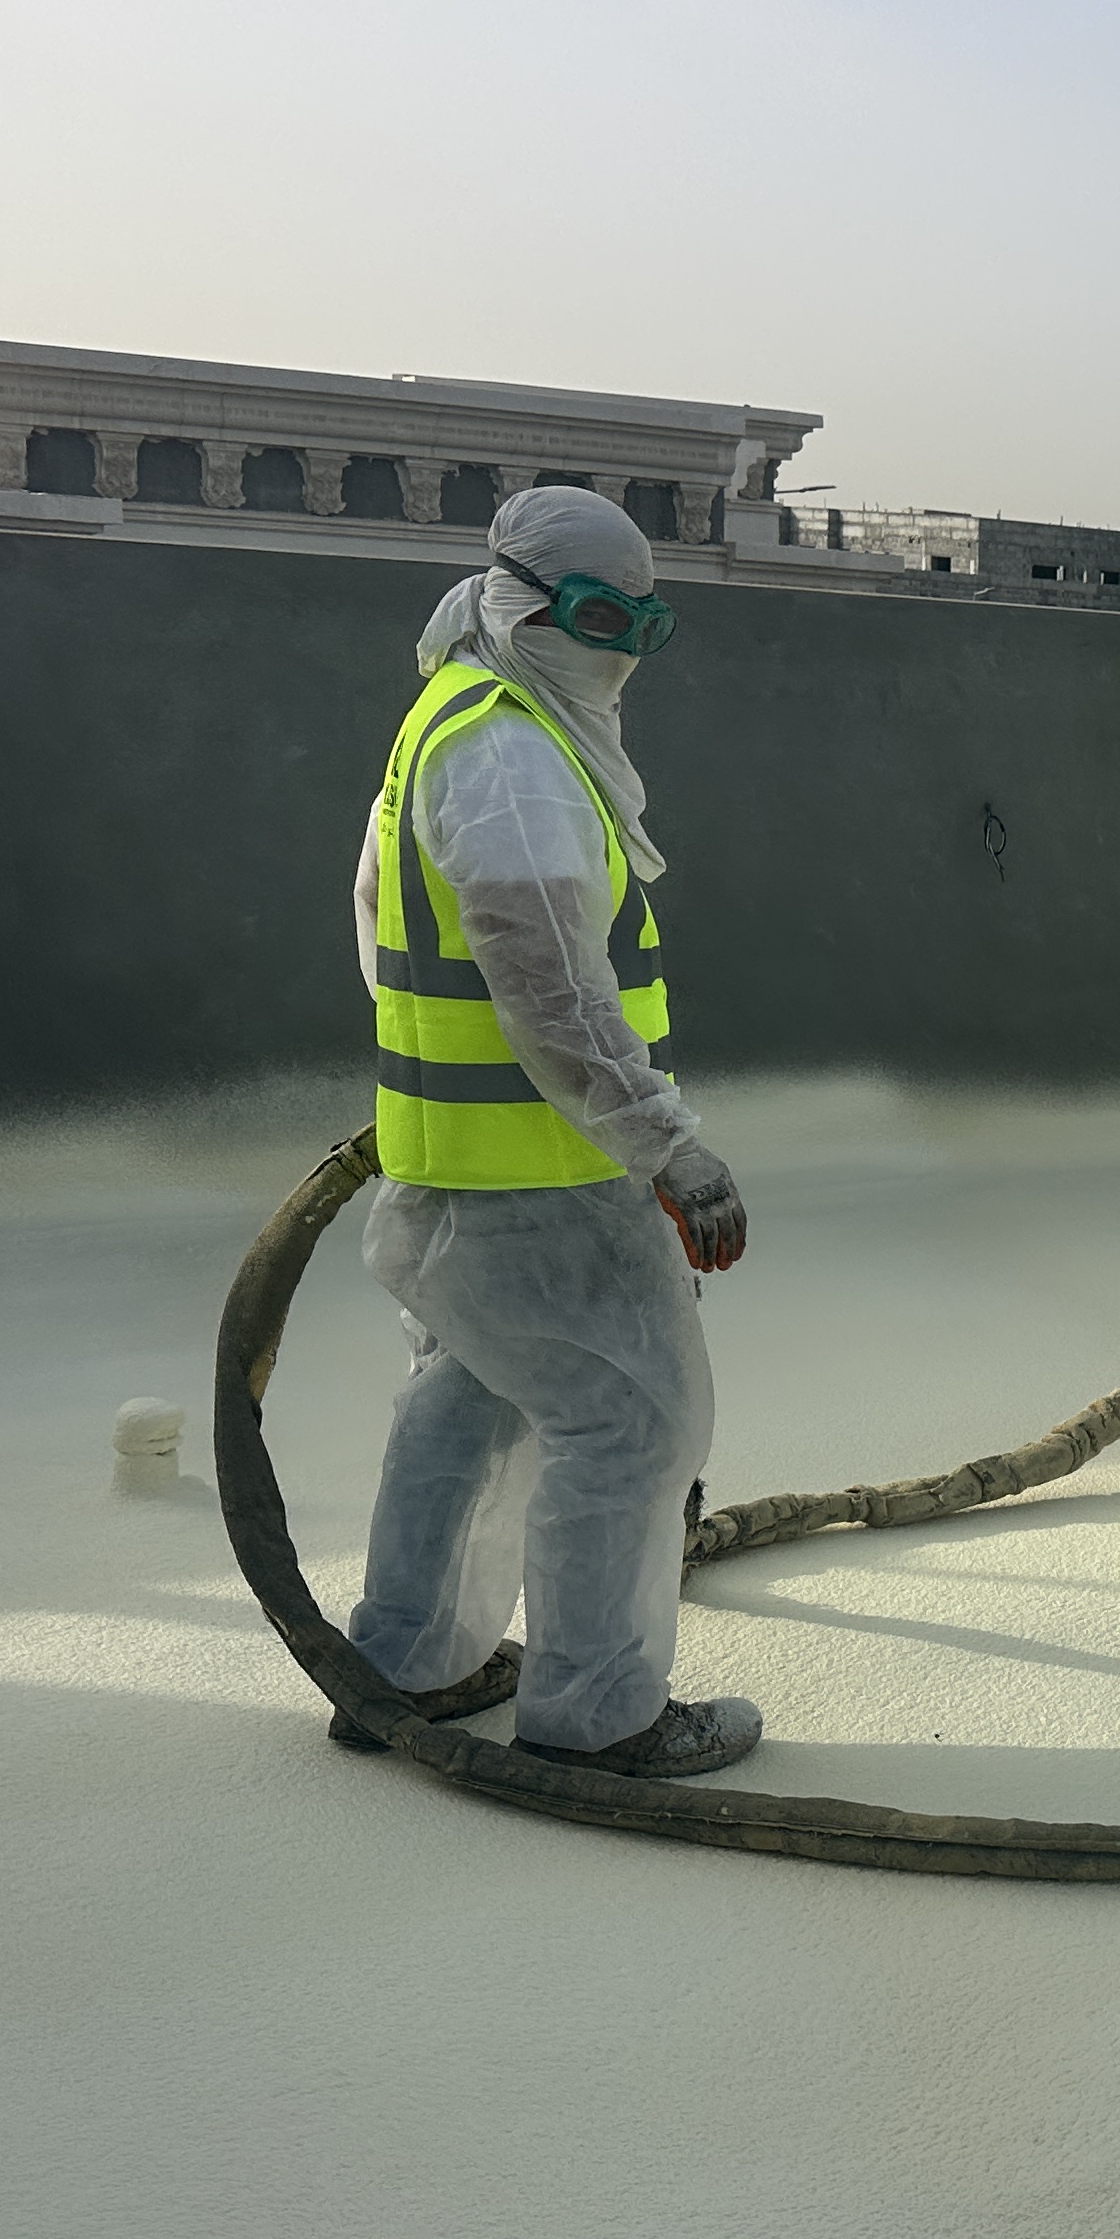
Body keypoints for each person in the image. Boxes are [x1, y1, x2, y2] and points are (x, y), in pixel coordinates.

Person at [335, 485, 764, 1780]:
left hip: (457, 1169)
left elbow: (383, 931)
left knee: (470, 1406)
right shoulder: (511, 759)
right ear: (527, 606)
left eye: (645, 625)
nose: (621, 651)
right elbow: (554, 995)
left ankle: (409, 1664)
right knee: (632, 1425)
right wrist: (667, 1147)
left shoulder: (460, 714)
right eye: (600, 620)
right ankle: (599, 1716)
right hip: (546, 1178)